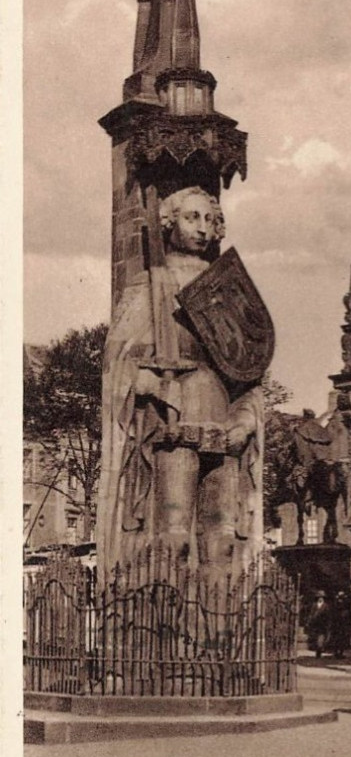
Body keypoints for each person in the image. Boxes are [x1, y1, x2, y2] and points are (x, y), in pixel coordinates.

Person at [96, 186, 265, 580]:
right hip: (174, 419)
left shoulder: (225, 285)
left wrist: (246, 421)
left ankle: (216, 634)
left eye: (209, 219)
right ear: (169, 223)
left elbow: (247, 371)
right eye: (192, 218)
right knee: (173, 539)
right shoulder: (151, 283)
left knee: (221, 542)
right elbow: (117, 358)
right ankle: (164, 630)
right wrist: (148, 382)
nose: (203, 228)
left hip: (224, 422)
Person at [306, 590, 332, 658]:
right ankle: (317, 649)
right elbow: (311, 614)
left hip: (322, 625)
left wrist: (328, 624)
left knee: (320, 639)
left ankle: (319, 651)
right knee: (315, 637)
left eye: (322, 597)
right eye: (319, 597)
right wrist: (309, 621)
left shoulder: (326, 606)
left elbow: (328, 616)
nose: (320, 598)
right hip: (315, 624)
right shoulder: (314, 605)